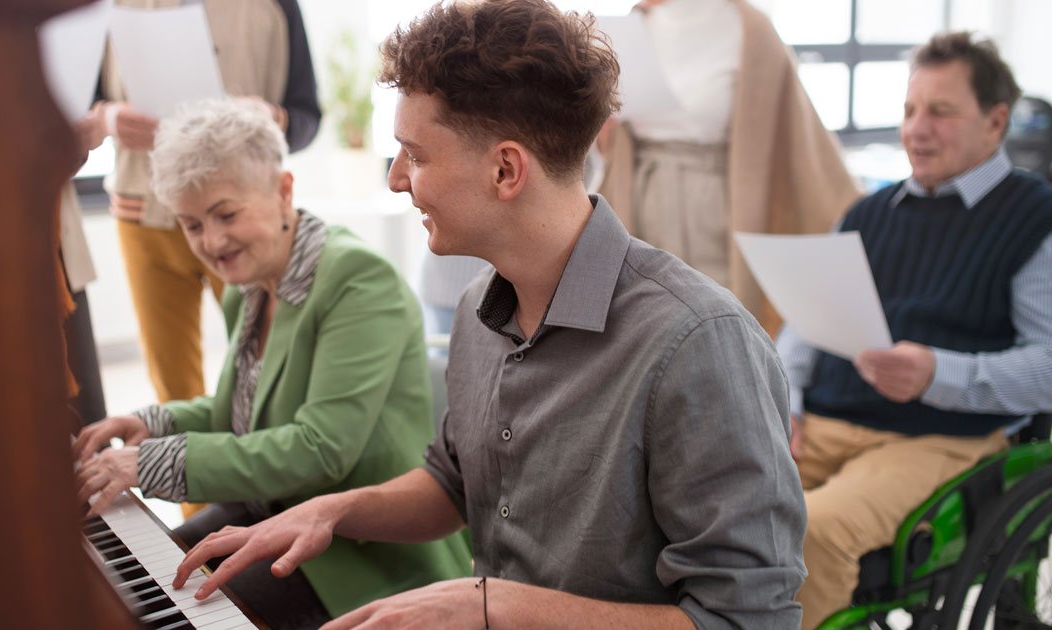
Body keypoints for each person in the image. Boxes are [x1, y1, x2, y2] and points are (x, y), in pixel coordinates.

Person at [173, 2, 807, 628]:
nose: (397, 179)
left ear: (506, 169)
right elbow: (454, 484)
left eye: (415, 155)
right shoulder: (480, 307)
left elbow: (748, 620)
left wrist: (494, 606)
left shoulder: (697, 342)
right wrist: (331, 511)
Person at [72, 99, 471, 630]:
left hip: (356, 553)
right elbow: (242, 410)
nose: (211, 243)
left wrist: (151, 464)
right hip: (270, 515)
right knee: (124, 590)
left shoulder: (358, 280)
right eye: (192, 225)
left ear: (284, 190)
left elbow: (318, 448)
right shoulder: (252, 284)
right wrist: (155, 423)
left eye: (226, 215)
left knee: (157, 611)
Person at [776, 32, 1052, 629]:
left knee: (810, 530)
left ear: (996, 120)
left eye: (941, 111)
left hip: (940, 441)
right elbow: (805, 324)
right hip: (820, 426)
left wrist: (938, 374)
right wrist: (787, 398)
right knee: (704, 505)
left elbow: (1049, 369)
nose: (916, 129)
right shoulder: (865, 214)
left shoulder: (1033, 218)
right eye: (908, 110)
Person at [97, 0, 321, 408]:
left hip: (247, 215)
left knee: (272, 372)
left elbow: (307, 117)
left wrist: (270, 117)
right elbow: (77, 99)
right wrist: (109, 118)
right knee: (172, 386)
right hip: (142, 216)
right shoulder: (113, 7)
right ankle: (188, 467)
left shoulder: (276, 6)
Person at [597, 0, 860, 331]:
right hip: (639, 197)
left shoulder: (751, 28)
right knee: (642, 320)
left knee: (717, 324)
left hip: (717, 204)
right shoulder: (632, 25)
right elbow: (605, 136)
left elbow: (797, 133)